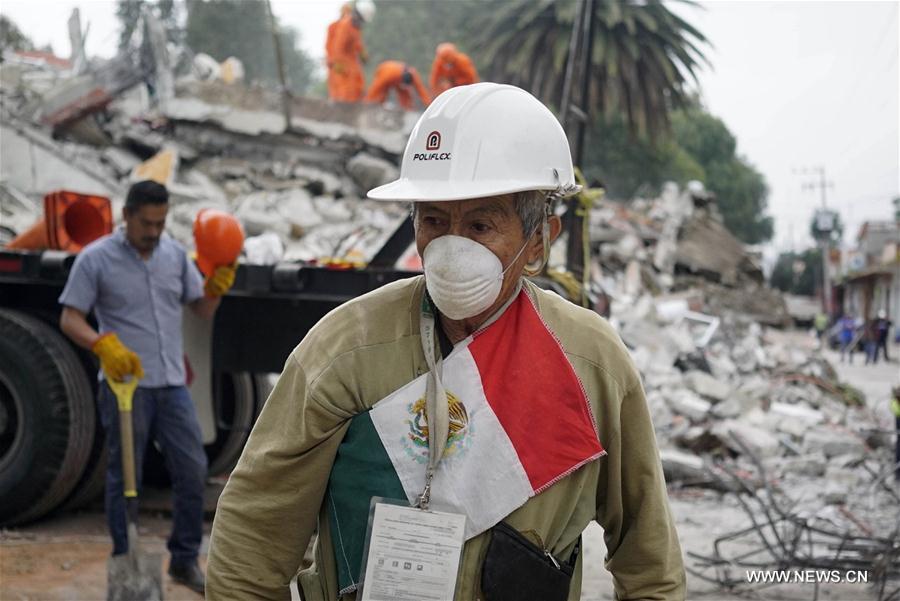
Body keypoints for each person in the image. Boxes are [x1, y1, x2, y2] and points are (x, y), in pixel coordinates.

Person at [207, 83, 684, 600]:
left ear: (539, 241)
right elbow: (253, 538)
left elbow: (649, 562)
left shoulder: (590, 364)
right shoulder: (347, 348)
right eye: (435, 220)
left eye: (480, 225)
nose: (453, 249)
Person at [58, 180, 237, 595]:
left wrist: (215, 288)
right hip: (126, 388)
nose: (154, 232)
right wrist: (101, 343)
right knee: (126, 476)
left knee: (192, 470)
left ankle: (184, 559)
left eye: (160, 223)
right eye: (146, 223)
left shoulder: (174, 256)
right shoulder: (96, 259)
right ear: (127, 216)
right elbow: (70, 318)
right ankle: (127, 555)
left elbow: (201, 309)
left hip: (172, 385)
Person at [327, 1, 373, 102]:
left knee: (358, 84)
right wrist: (337, 63)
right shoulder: (344, 26)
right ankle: (343, 107)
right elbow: (337, 47)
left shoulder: (355, 27)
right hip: (340, 62)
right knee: (344, 89)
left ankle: (357, 105)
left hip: (351, 61)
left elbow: (357, 43)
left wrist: (362, 53)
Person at [365, 60, 431, 110]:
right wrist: (368, 101)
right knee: (382, 93)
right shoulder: (388, 76)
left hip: (397, 76)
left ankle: (407, 110)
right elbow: (376, 87)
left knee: (405, 94)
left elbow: (421, 90)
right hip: (384, 70)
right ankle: (377, 106)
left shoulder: (414, 75)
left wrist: (429, 106)